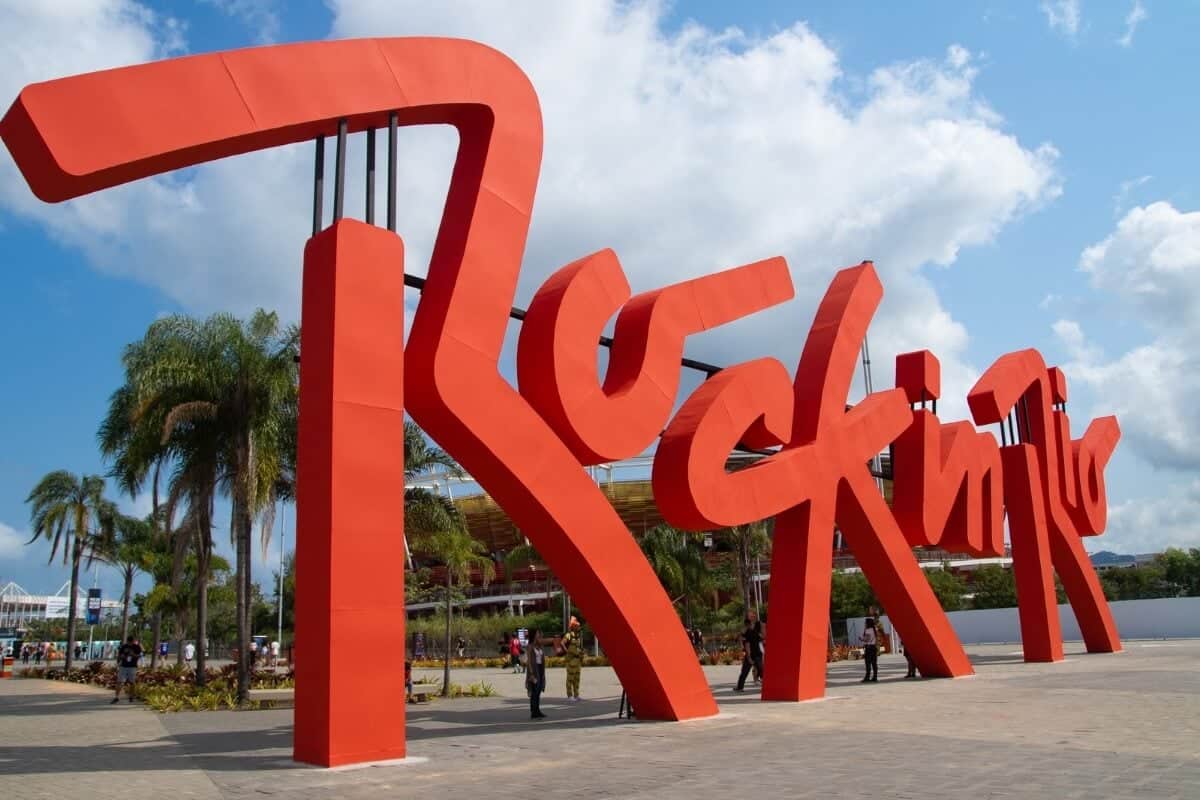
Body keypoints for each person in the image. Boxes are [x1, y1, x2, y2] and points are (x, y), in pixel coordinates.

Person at [734, 610, 764, 692]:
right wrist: (749, 656)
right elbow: (746, 644)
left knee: (758, 670)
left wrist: (749, 656)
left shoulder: (754, 629)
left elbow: (747, 643)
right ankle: (740, 687)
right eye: (750, 616)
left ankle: (740, 687)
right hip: (754, 654)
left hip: (756, 654)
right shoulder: (749, 632)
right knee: (749, 671)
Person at [112, 635, 142, 704]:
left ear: (133, 641)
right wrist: (120, 658)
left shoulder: (136, 647)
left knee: (132, 682)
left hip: (132, 667)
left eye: (131, 642)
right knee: (119, 682)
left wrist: (133, 654)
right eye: (129, 642)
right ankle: (116, 697)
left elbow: (140, 655)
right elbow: (119, 655)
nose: (130, 644)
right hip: (123, 666)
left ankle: (131, 696)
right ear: (128, 641)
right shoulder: (123, 646)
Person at [524, 629, 546, 719]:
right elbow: (529, 661)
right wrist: (531, 673)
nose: (538, 635)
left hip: (540, 669)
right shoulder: (530, 646)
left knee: (538, 690)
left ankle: (537, 710)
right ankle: (533, 712)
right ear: (533, 635)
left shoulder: (539, 646)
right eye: (537, 633)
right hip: (534, 670)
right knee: (534, 691)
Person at [561, 616, 584, 702]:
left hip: (577, 660)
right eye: (577, 626)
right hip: (571, 660)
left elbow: (579, 648)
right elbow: (562, 643)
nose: (579, 627)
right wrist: (567, 651)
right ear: (573, 627)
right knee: (570, 678)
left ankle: (576, 695)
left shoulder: (578, 636)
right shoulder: (569, 635)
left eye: (579, 626)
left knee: (577, 679)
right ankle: (569, 695)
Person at [861, 618, 879, 682]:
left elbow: (867, 639)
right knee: (874, 663)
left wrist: (861, 639)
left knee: (868, 663)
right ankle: (875, 677)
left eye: (865, 622)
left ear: (868, 623)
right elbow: (876, 639)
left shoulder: (868, 630)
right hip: (874, 647)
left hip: (869, 648)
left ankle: (867, 677)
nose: (864, 624)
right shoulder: (875, 629)